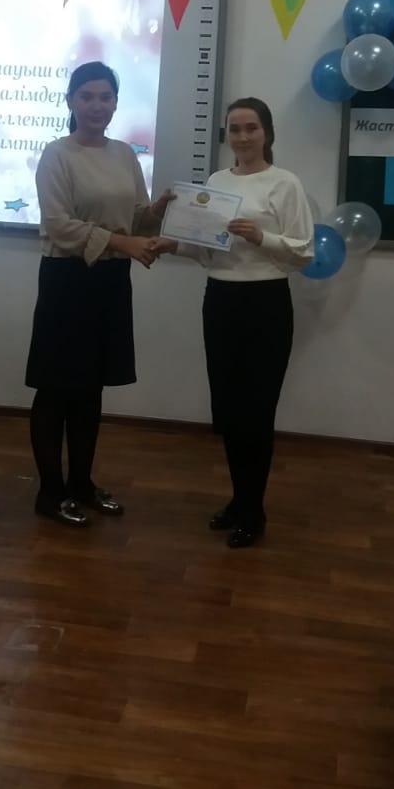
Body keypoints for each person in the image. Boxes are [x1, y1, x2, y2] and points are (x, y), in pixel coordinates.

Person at [159, 98, 313, 549]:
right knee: (228, 410)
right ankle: (238, 499)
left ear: (267, 132)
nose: (243, 136)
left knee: (257, 412)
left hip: (266, 303)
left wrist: (260, 236)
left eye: (251, 128)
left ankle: (253, 510)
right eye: (235, 129)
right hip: (221, 300)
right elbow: (207, 249)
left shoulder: (285, 183)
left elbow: (303, 251)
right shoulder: (215, 182)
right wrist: (173, 244)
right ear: (225, 135)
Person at [25, 60, 171, 527]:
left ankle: (82, 484)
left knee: (90, 389)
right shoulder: (57, 154)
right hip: (67, 281)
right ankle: (50, 492)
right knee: (56, 389)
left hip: (109, 282)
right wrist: (125, 243)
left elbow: (136, 220)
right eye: (86, 96)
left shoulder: (125, 154)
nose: (96, 105)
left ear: (115, 103)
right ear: (70, 101)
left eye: (105, 97)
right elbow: (59, 226)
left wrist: (159, 210)